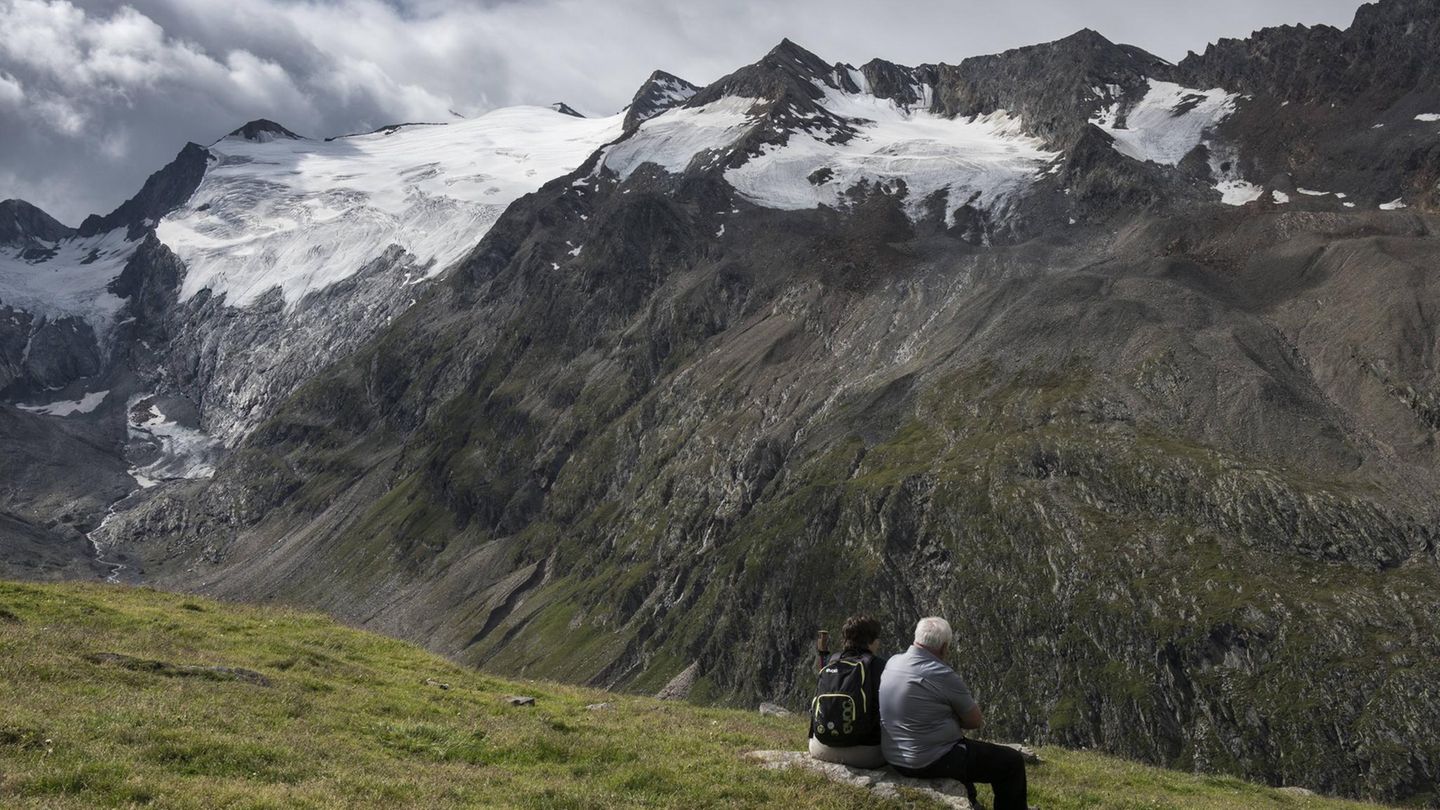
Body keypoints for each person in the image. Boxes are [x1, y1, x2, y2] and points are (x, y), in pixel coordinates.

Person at [879, 616, 1028, 810]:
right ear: (943, 647)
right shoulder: (942, 674)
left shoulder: (893, 662)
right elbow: (974, 721)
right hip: (929, 760)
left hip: (893, 756)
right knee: (1011, 762)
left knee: (967, 755)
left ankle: (972, 802)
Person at [808, 615, 886, 768]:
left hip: (820, 748)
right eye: (877, 638)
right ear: (872, 640)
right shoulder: (879, 666)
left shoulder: (832, 662)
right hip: (865, 755)